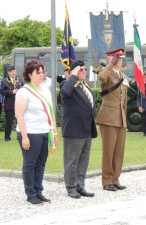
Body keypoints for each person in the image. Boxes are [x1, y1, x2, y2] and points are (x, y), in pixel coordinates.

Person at [15, 59, 58, 204]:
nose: (42, 75)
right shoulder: (23, 91)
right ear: (29, 74)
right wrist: (25, 137)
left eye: (43, 72)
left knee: (41, 163)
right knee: (30, 163)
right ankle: (30, 193)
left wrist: (54, 132)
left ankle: (39, 191)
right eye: (38, 72)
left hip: (45, 131)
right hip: (31, 133)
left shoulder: (46, 90)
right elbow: (19, 115)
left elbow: (51, 112)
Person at [60, 60, 97, 199]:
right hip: (74, 130)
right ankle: (71, 187)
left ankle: (80, 185)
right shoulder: (67, 84)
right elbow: (65, 92)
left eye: (85, 69)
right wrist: (73, 75)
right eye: (80, 69)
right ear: (73, 72)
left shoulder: (84, 85)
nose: (84, 71)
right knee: (72, 161)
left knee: (83, 160)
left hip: (86, 129)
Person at [95, 48, 128, 192]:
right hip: (108, 117)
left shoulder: (121, 74)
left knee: (119, 150)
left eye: (120, 58)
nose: (119, 60)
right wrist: (109, 65)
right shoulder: (106, 72)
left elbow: (123, 99)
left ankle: (115, 179)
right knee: (108, 151)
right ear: (110, 58)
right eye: (116, 58)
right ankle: (106, 180)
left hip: (120, 117)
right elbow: (101, 78)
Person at [0, 66, 24, 141]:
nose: (14, 73)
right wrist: (11, 92)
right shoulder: (4, 81)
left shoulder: (20, 80)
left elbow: (24, 89)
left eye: (15, 71)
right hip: (9, 104)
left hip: (19, 104)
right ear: (9, 72)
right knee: (9, 122)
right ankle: (7, 137)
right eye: (12, 71)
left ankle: (20, 136)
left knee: (20, 121)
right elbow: (2, 92)